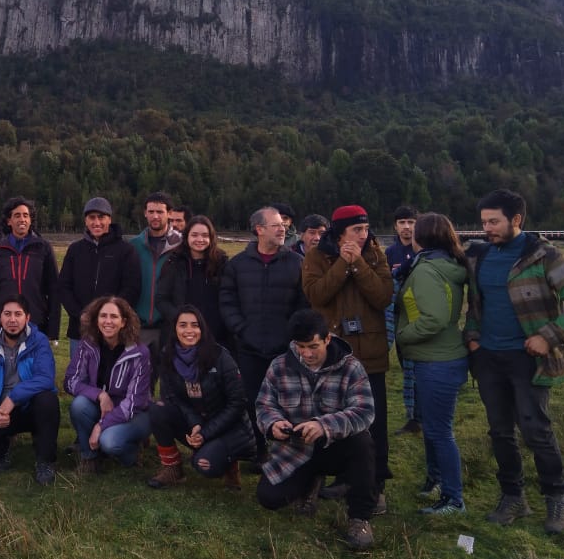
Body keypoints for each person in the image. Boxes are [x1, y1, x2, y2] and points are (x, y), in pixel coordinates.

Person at [465, 189, 564, 534]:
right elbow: (476, 306)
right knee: (499, 432)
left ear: (517, 220)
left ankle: (557, 498)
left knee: (536, 431)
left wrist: (547, 336)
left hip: (528, 360)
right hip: (489, 360)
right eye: (483, 222)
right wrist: (473, 340)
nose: (486, 228)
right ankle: (513, 497)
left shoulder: (544, 256)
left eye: (493, 222)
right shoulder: (479, 256)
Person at [255, 309, 378, 551]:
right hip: (296, 450)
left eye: (313, 346)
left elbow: (365, 412)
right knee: (269, 498)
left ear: (327, 339)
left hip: (336, 447)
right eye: (301, 347)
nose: (307, 353)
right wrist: (273, 424)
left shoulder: (351, 367)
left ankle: (360, 518)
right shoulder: (279, 366)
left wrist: (324, 426)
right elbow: (264, 405)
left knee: (363, 442)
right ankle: (311, 484)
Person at [302, 204, 393, 511]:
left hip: (369, 352)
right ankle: (344, 477)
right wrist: (342, 263)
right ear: (340, 232)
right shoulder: (317, 257)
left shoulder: (376, 255)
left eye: (366, 229)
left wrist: (360, 266)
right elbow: (317, 296)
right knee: (335, 414)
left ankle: (376, 484)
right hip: (334, 353)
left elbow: (382, 296)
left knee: (374, 420)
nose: (363, 235)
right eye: (357, 230)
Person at [218, 207, 308, 460]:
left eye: (283, 225)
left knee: (288, 400)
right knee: (252, 399)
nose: (283, 229)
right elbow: (227, 302)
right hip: (248, 347)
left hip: (285, 348)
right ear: (259, 229)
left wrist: (290, 334)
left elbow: (303, 303)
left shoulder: (296, 263)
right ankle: (258, 449)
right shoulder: (237, 266)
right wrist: (242, 330)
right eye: (276, 225)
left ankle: (287, 449)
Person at [394, 213, 468, 514]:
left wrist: (402, 335)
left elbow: (434, 318)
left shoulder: (426, 271)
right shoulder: (447, 264)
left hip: (436, 360)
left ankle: (454, 498)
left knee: (439, 430)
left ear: (421, 238)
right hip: (440, 358)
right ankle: (435, 480)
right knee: (433, 427)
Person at [146, 306, 253, 490]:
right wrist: (195, 424)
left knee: (204, 465)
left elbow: (238, 403)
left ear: (202, 329)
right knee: (158, 408)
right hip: (196, 422)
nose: (189, 331)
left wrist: (206, 433)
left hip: (228, 427)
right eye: (183, 325)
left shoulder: (220, 356)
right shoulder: (168, 354)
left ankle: (230, 464)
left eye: (195, 325)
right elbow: (172, 397)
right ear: (175, 329)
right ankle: (172, 468)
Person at [0, 295, 60, 485]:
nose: (12, 319)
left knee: (48, 400)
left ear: (27, 318)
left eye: (18, 314)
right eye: (7, 314)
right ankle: (2, 451)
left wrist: (14, 398)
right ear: (0, 318)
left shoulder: (39, 341)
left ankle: (45, 460)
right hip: (2, 410)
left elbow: (45, 378)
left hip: (32, 407)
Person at [64, 296, 151, 472]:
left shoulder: (139, 353)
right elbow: (70, 381)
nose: (108, 321)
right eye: (103, 316)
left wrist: (101, 425)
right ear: (96, 320)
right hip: (101, 407)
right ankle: (90, 457)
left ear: (124, 322)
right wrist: (100, 395)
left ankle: (131, 454)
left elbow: (134, 402)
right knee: (79, 405)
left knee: (109, 442)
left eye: (114, 317)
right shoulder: (87, 344)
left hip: (133, 414)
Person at [57, 197, 141, 356]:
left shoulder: (126, 251)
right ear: (85, 221)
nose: (97, 222)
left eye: (101, 217)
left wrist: (111, 315)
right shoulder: (75, 250)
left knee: (111, 377)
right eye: (92, 218)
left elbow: (132, 288)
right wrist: (80, 314)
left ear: (109, 219)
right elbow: (64, 286)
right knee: (80, 376)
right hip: (80, 330)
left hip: (113, 330)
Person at [0, 197, 60, 338]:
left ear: (30, 220)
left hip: (36, 323)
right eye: (17, 215)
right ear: (9, 221)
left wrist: (53, 330)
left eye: (26, 215)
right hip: (4, 324)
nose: (22, 219)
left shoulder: (43, 248)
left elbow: (54, 289)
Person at [157, 215, 229, 353]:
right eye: (194, 235)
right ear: (187, 236)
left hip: (215, 335)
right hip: (181, 336)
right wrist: (181, 320)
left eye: (205, 235)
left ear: (211, 237)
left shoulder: (222, 264)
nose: (200, 240)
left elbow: (228, 298)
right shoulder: (174, 263)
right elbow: (161, 299)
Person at [131, 191, 182, 360]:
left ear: (169, 213)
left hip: (171, 325)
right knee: (141, 381)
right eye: (151, 211)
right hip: (140, 326)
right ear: (145, 213)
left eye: (160, 212)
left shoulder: (181, 246)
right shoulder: (133, 246)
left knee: (171, 381)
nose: (155, 216)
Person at [386, 205, 422, 436]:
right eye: (402, 223)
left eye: (411, 222)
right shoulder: (390, 253)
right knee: (405, 367)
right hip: (398, 318)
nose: (407, 227)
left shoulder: (424, 251)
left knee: (420, 369)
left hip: (419, 318)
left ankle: (423, 416)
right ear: (396, 226)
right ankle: (412, 418)